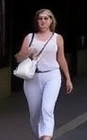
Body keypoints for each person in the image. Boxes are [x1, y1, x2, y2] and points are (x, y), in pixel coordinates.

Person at [15, 8, 73, 140]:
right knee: (34, 113)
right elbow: (18, 58)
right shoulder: (30, 37)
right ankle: (39, 136)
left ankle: (46, 137)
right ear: (36, 21)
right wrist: (26, 54)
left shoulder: (57, 38)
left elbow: (61, 58)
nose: (43, 21)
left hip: (52, 76)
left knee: (47, 109)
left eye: (46, 18)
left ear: (51, 21)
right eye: (40, 18)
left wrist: (68, 79)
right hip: (32, 78)